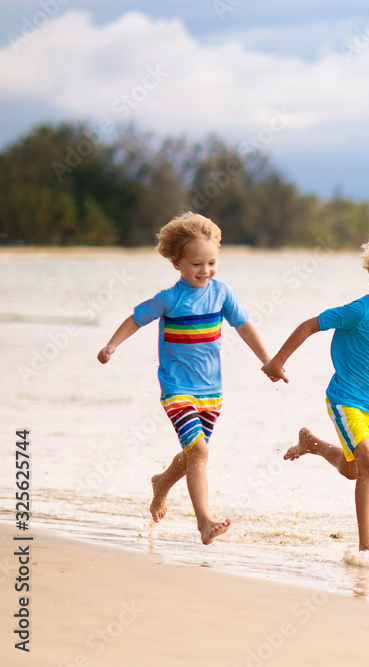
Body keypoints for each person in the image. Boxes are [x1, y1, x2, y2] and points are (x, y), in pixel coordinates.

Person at [97, 212, 276, 545]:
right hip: (176, 388)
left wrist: (269, 361)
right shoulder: (170, 299)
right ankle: (205, 522)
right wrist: (112, 345)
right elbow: (135, 319)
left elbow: (245, 328)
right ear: (176, 262)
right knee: (199, 452)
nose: (204, 271)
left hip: (213, 391)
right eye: (196, 264)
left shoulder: (222, 293)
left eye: (211, 263)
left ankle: (161, 484)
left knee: (196, 452)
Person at [262, 234, 369, 552]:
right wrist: (278, 361)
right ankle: (367, 548)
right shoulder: (360, 311)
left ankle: (313, 445)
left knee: (354, 470)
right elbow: (310, 325)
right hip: (345, 399)